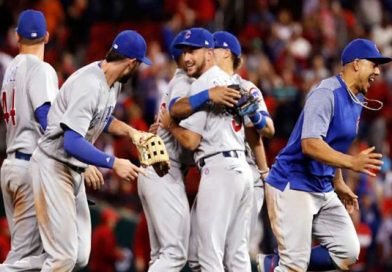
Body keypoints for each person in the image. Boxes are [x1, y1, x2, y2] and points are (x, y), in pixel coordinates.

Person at [257, 38, 390, 272]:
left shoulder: (357, 99)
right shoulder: (326, 93)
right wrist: (351, 162)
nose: (378, 71)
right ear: (356, 64)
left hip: (322, 186)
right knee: (294, 266)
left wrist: (338, 182)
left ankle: (275, 263)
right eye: (374, 65)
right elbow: (310, 144)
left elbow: (333, 143)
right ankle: (282, 264)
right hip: (293, 183)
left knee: (347, 251)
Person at [29, 30, 150, 271]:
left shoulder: (111, 83)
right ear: (132, 63)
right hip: (53, 165)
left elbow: (102, 119)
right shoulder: (89, 84)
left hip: (72, 167)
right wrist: (114, 162)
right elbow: (72, 142)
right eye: (139, 65)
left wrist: (130, 132)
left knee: (79, 256)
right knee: (63, 257)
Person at [160, 27, 253, 272]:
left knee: (208, 256)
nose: (187, 57)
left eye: (193, 51)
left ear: (209, 53)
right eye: (184, 52)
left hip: (219, 168)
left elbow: (190, 140)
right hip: (242, 169)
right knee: (236, 256)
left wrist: (169, 126)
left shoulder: (206, 81)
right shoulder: (229, 81)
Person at [0, 9, 58, 269]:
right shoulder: (41, 69)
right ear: (47, 36)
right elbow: (46, 119)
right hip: (29, 170)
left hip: (11, 166)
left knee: (31, 258)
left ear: (17, 37)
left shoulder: (9, 68)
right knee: (21, 260)